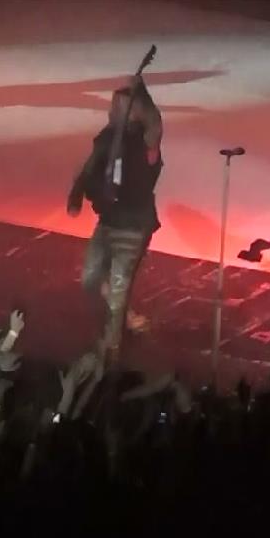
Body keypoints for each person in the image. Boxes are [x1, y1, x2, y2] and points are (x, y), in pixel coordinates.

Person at [67, 76, 163, 363]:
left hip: (133, 226)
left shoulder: (144, 141)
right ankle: (123, 319)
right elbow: (90, 165)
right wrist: (76, 193)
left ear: (135, 112)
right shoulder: (107, 137)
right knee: (90, 278)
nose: (112, 112)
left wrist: (141, 92)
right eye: (113, 106)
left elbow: (156, 123)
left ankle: (112, 348)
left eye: (119, 107)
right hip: (108, 220)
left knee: (118, 287)